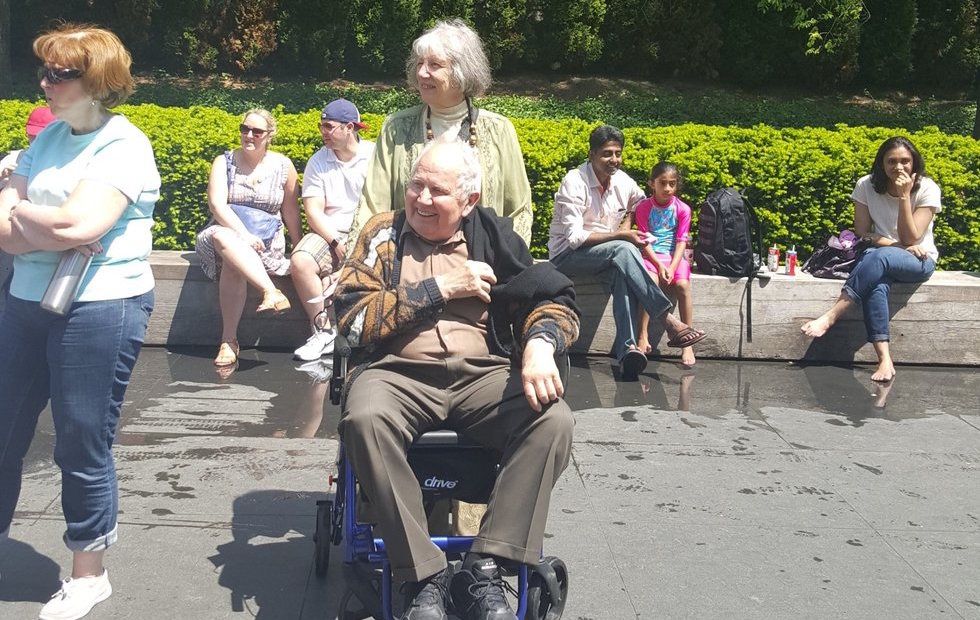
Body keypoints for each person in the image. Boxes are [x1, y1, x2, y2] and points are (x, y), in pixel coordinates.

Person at [334, 139, 578, 620]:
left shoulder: (494, 237)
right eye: (415, 185)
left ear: (468, 201)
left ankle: (485, 565)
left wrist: (540, 344)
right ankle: (423, 574)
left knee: (552, 420)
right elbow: (351, 322)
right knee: (363, 418)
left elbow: (552, 299)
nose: (421, 199)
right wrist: (439, 289)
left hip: (480, 375)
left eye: (437, 191)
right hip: (396, 373)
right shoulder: (384, 235)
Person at [0, 24, 160, 620]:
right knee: (2, 430)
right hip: (24, 301)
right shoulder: (48, 140)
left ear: (97, 81)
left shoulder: (125, 145)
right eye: (44, 71)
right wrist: (56, 222)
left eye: (60, 73)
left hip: (102, 307)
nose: (45, 82)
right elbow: (29, 227)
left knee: (80, 439)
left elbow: (78, 227)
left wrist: (34, 218)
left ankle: (89, 574)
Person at [351, 18, 533, 246]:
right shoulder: (396, 127)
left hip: (482, 266)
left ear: (462, 72)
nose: (422, 73)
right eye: (419, 64)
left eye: (434, 65)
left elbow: (519, 210)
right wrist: (360, 262)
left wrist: (505, 264)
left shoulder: (499, 130)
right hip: (407, 262)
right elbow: (371, 206)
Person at [549, 125, 706, 381]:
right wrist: (622, 235)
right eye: (607, 154)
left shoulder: (622, 180)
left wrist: (627, 223)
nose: (614, 160)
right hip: (568, 256)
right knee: (623, 248)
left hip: (607, 256)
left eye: (618, 153)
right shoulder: (574, 181)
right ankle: (668, 319)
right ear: (591, 154)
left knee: (623, 271)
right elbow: (575, 239)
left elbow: (641, 202)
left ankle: (628, 350)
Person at [802, 136, 942, 383]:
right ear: (882, 164)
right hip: (881, 255)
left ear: (914, 163)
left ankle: (833, 314)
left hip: (919, 259)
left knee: (880, 258)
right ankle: (885, 359)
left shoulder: (927, 188)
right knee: (877, 282)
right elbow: (862, 232)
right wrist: (894, 245)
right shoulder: (866, 185)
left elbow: (912, 237)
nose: (898, 167)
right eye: (892, 162)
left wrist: (904, 196)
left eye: (905, 161)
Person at [195, 108, 302, 367]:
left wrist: (298, 245)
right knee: (225, 240)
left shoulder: (283, 165)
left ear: (269, 135)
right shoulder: (224, 161)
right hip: (225, 233)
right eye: (245, 129)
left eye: (257, 131)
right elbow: (217, 206)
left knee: (234, 261)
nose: (249, 135)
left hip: (266, 243)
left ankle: (229, 341)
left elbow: (289, 209)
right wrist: (243, 234)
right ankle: (270, 291)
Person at [289, 99, 374, 362]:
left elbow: (383, 203)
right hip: (330, 231)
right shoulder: (318, 161)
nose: (323, 132)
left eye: (329, 126)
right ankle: (322, 331)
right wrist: (336, 241)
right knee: (300, 260)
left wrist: (359, 241)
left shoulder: (374, 156)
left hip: (368, 230)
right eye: (321, 126)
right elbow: (313, 211)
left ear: (350, 127)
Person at [633, 162, 697, 366]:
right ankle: (642, 335)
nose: (668, 189)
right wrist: (659, 266)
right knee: (649, 281)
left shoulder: (683, 209)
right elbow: (643, 241)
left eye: (672, 184)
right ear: (652, 183)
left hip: (674, 257)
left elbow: (681, 242)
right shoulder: (643, 208)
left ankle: (687, 342)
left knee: (683, 285)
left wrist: (670, 267)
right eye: (663, 183)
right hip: (652, 255)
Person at [0, 106, 56, 190]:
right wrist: (2, 176)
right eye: (32, 134)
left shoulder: (64, 163)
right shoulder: (13, 158)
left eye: (41, 135)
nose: (35, 139)